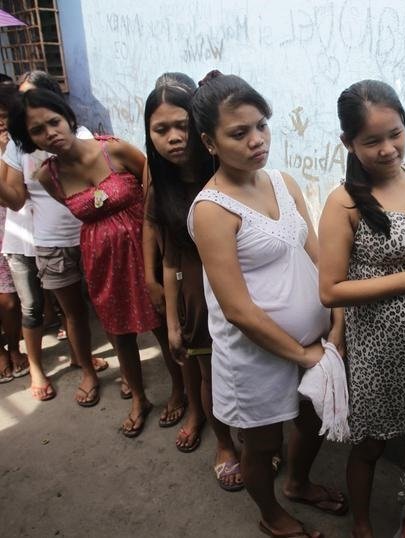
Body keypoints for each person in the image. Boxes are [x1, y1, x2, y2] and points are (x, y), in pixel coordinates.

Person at [188, 71, 346, 538]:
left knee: (313, 415)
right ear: (209, 141)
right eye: (239, 132)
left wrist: (334, 327)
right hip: (255, 354)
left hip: (315, 340)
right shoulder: (212, 210)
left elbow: (318, 258)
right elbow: (238, 310)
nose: (257, 140)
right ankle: (270, 513)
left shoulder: (282, 182)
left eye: (262, 125)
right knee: (260, 443)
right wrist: (303, 354)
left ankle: (297, 482)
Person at [317, 79, 405, 538]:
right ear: (348, 143)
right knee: (370, 442)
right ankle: (362, 525)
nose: (387, 149)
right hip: (378, 348)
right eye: (371, 141)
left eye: (395, 133)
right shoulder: (344, 202)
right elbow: (331, 290)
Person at [8, 88, 161, 435]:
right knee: (120, 333)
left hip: (145, 249)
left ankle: (182, 394)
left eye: (54, 122)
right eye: (37, 131)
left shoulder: (115, 149)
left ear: (68, 118)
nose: (50, 133)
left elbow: (152, 183)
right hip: (101, 259)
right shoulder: (48, 177)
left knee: (163, 326)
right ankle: (140, 398)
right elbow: (83, 212)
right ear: (29, 139)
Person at [143, 77, 243, 490]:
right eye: (160, 129)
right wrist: (170, 325)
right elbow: (170, 260)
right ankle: (225, 445)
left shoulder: (228, 174)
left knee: (251, 370)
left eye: (181, 125)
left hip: (241, 288)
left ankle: (260, 440)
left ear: (200, 128)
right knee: (209, 376)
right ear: (149, 136)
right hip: (195, 297)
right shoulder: (161, 191)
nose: (173, 138)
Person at [0, 71, 107, 405]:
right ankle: (86, 370)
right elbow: (15, 199)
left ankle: (124, 372)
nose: (29, 108)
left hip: (89, 234)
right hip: (49, 242)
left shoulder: (80, 136)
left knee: (104, 308)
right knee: (70, 313)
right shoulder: (20, 147)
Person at [0, 83, 26, 383]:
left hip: (10, 228)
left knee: (9, 300)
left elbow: (13, 197)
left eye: (6, 116)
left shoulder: (16, 147)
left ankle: (14, 347)